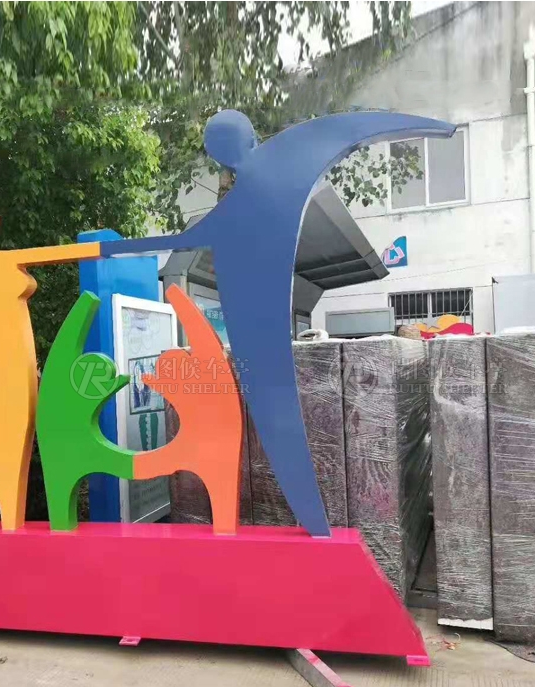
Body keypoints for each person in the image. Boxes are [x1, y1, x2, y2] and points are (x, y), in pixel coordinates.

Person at [99, 109, 455, 536]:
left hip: (256, 313)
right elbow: (188, 238)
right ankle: (313, 520)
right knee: (273, 406)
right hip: (256, 314)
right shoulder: (279, 165)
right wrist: (108, 249)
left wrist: (108, 250)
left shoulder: (273, 171)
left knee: (273, 406)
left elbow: (188, 237)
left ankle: (313, 519)